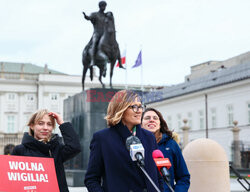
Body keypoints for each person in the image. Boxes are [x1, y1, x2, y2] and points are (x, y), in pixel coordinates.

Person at [84, 90, 163, 192]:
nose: (139, 111)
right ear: (121, 109)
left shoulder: (149, 137)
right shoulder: (102, 138)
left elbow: (158, 176)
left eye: (140, 106)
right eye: (134, 107)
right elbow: (91, 179)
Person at [11, 109, 81, 192]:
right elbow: (13, 181)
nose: (45, 128)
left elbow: (75, 147)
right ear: (32, 126)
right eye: (40, 123)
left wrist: (62, 123)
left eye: (49, 124)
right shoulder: (20, 150)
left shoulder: (56, 148)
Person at [141, 108, 190, 192]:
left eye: (155, 118)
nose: (151, 120)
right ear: (140, 124)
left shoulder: (171, 145)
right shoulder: (135, 145)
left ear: (160, 124)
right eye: (147, 118)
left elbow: (183, 177)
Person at [82, 1, 107, 67]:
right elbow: (89, 18)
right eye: (103, 6)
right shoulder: (95, 14)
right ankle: (93, 60)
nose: (104, 7)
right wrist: (86, 16)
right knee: (95, 42)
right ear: (100, 6)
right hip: (97, 33)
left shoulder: (106, 15)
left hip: (104, 35)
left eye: (105, 6)